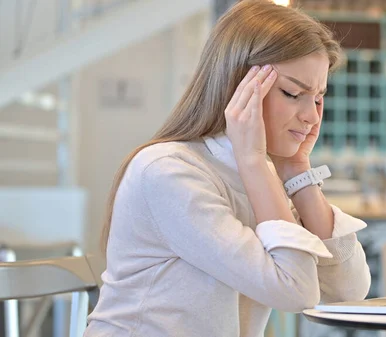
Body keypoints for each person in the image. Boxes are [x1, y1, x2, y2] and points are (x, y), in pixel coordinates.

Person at [84, 1, 371, 336]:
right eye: (293, 93)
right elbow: (296, 290)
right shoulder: (168, 172)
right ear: (238, 87)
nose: (311, 116)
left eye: (319, 98)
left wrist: (296, 171)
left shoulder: (260, 174)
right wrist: (254, 161)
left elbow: (349, 291)